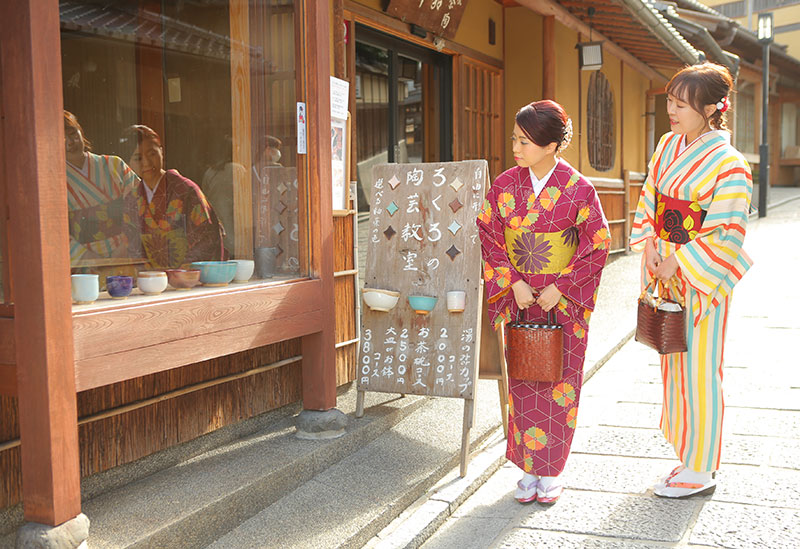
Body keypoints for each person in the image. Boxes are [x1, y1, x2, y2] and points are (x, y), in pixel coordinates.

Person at [478, 100, 610, 504]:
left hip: (562, 304)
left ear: (552, 145)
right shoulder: (504, 186)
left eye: (525, 140)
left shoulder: (578, 188)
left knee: (559, 384)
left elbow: (598, 243)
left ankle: (551, 472)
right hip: (519, 299)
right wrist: (513, 281)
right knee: (522, 381)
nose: (516, 148)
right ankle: (527, 469)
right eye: (515, 139)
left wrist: (564, 286)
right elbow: (488, 233)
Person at [630, 62, 753, 498]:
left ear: (711, 109)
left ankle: (701, 468)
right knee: (673, 364)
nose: (672, 111)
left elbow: (727, 229)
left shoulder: (730, 164)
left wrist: (678, 261)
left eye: (681, 104)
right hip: (665, 267)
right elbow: (651, 195)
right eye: (669, 101)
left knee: (700, 369)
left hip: (701, 278)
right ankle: (687, 454)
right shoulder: (667, 145)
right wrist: (647, 241)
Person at [122, 125, 225, 269]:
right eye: (138, 158)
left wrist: (180, 273)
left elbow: (207, 239)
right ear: (129, 164)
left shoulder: (186, 191)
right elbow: (132, 248)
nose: (146, 162)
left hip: (187, 279)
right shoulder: (132, 200)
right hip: (154, 282)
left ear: (161, 151)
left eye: (152, 153)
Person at [64, 111, 142, 267]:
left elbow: (140, 204)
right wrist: (91, 260)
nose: (69, 142)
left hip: (126, 252)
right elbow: (57, 231)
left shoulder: (114, 165)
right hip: (86, 262)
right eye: (61, 138)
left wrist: (125, 247)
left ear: (81, 131)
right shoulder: (55, 182)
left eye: (73, 134)